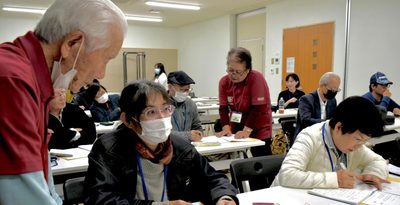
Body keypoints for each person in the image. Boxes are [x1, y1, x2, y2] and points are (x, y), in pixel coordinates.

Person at [0, 0, 127, 204]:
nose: (101, 73)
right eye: (106, 59)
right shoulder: (12, 80)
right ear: (72, 43)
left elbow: (42, 182)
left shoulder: (31, 82)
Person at [84, 80, 238, 205]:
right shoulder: (108, 149)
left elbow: (214, 179)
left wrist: (224, 197)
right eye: (151, 112)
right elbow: (100, 199)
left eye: (166, 109)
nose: (162, 118)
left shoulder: (179, 147)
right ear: (128, 120)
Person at [272, 96, 389, 190]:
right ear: (338, 127)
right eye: (358, 139)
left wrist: (373, 174)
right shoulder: (309, 137)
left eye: (365, 141)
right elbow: (287, 175)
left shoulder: (356, 145)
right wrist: (335, 179)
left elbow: (377, 160)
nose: (360, 146)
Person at [216, 47, 273, 157]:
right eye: (230, 70)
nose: (233, 75)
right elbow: (223, 108)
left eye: (238, 72)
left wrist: (246, 131)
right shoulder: (224, 82)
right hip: (237, 122)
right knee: (238, 154)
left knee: (260, 157)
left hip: (258, 125)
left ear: (247, 70)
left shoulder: (256, 78)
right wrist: (226, 128)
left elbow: (258, 109)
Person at [295, 72, 341, 137]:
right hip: (307, 136)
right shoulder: (306, 99)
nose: (334, 92)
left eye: (336, 90)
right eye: (332, 89)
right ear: (322, 86)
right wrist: (328, 123)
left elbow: (334, 118)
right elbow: (306, 120)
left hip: (324, 137)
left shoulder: (332, 101)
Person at [168, 71, 204, 142]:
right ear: (170, 87)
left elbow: (197, 126)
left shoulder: (190, 104)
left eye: (187, 90)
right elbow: (162, 135)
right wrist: (188, 135)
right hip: (169, 148)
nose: (185, 93)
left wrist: (199, 134)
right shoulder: (161, 106)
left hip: (188, 147)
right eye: (182, 90)